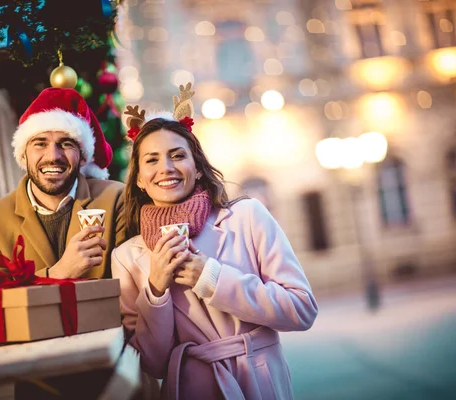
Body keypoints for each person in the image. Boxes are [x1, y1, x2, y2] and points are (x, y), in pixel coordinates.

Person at [111, 83, 318, 399]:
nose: (166, 168)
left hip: (260, 379)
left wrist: (211, 278)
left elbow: (301, 309)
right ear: (139, 178)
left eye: (177, 155)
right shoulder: (127, 257)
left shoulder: (247, 217)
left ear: (196, 168)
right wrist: (155, 290)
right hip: (193, 388)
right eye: (151, 160)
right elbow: (151, 363)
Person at [0, 87, 126, 279]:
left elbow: (131, 285)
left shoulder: (116, 199)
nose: (53, 156)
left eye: (66, 143)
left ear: (83, 156)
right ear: (23, 154)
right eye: (40, 143)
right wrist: (58, 273)